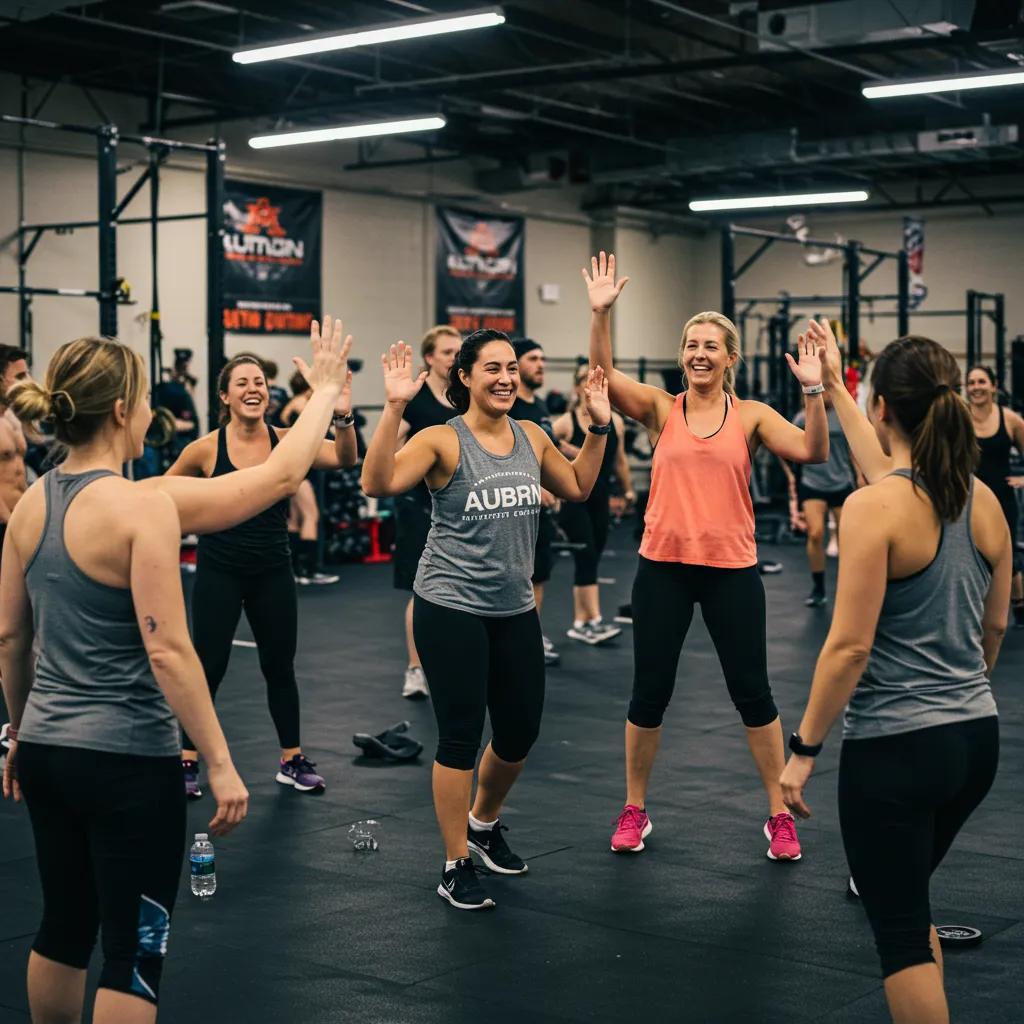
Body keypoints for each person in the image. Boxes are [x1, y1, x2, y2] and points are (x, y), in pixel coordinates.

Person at [0, 323, 350, 1024]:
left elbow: (10, 637)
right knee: (135, 951)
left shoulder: (32, 502)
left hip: (44, 753)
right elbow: (169, 650)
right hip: (127, 762)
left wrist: (18, 732)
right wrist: (219, 761)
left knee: (65, 930)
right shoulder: (142, 507)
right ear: (125, 409)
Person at [781, 324, 1009, 1024]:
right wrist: (831, 388)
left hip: (896, 752)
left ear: (885, 410)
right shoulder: (982, 499)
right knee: (911, 904)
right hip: (976, 740)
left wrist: (803, 752)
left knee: (901, 936)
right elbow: (995, 626)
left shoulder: (874, 507)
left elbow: (848, 648)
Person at [583, 252, 828, 861]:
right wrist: (600, 313)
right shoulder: (661, 409)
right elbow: (601, 377)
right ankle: (635, 807)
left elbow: (814, 451)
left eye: (711, 346)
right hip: (662, 567)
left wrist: (817, 390)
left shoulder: (752, 417)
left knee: (753, 693)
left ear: (729, 357)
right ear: (682, 353)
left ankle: (778, 813)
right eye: (691, 344)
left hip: (731, 571)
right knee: (649, 693)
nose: (699, 353)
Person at [361, 331, 610, 910]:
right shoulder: (442, 440)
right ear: (466, 378)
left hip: (515, 608)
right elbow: (376, 483)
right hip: (449, 607)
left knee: (520, 731)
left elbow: (578, 486)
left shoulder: (532, 435)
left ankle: (483, 822)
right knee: (459, 737)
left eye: (511, 369)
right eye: (491, 368)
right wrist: (394, 406)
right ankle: (454, 861)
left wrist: (598, 428)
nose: (505, 378)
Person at [168, 338, 357, 798]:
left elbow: (347, 458)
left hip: (273, 569)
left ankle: (291, 760)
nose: (254, 389)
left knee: (280, 666)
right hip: (219, 571)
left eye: (260, 382)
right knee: (207, 667)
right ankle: (186, 761)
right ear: (225, 396)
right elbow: (161, 497)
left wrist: (342, 414)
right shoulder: (204, 450)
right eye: (243, 383)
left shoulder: (290, 441)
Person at [393, 325, 460, 699]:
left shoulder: (464, 398)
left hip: (458, 505)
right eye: (447, 352)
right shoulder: (416, 400)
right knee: (422, 591)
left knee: (459, 587)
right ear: (430, 358)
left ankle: (451, 663)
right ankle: (415, 668)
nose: (453, 358)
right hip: (418, 506)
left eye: (457, 352)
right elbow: (386, 446)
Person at [553, 364, 632, 643]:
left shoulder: (616, 422)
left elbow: (619, 460)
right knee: (585, 552)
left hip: (600, 497)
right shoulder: (565, 423)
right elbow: (544, 452)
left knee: (593, 555)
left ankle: (582, 620)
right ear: (577, 389)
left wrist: (628, 490)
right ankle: (591, 620)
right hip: (573, 498)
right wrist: (570, 452)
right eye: (586, 383)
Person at [510, 339, 561, 667]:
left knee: (538, 575)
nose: (541, 365)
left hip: (542, 512)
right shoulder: (510, 408)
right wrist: (532, 486)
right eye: (533, 359)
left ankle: (531, 637)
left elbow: (548, 454)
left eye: (543, 358)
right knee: (516, 577)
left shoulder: (540, 407)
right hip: (514, 508)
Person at [784, 388, 858, 606]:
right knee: (815, 534)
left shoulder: (844, 417)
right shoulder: (802, 417)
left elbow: (853, 450)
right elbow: (784, 446)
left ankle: (850, 588)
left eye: (827, 390)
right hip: (812, 482)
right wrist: (791, 475)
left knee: (849, 539)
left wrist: (861, 476)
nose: (824, 394)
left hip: (841, 481)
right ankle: (818, 588)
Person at [965, 365, 1024, 627]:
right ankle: (975, 611)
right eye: (971, 383)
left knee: (1005, 558)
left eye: (981, 381)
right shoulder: (960, 418)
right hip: (968, 499)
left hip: (1002, 498)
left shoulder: (1011, 420)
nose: (976, 387)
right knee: (970, 556)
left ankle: (1019, 606)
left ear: (993, 386)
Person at [280, 371, 340, 586]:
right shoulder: (302, 404)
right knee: (310, 515)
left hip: (294, 465)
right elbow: (317, 432)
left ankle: (295, 569)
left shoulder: (290, 403)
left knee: (295, 519)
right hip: (301, 468)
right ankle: (309, 569)